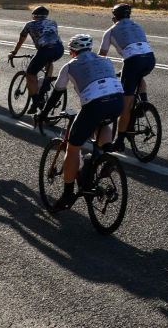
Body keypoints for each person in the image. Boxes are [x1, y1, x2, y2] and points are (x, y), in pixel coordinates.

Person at [37, 34, 125, 213]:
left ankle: (68, 193)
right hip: (117, 102)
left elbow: (57, 94)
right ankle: (104, 155)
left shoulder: (70, 66)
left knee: (73, 147)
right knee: (102, 124)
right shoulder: (105, 60)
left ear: (72, 52)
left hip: (94, 105)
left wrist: (44, 114)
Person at [97, 3, 155, 151]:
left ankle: (120, 140)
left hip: (133, 61)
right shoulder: (137, 26)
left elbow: (101, 57)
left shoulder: (110, 31)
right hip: (149, 59)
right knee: (139, 76)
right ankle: (143, 103)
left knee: (125, 105)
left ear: (114, 17)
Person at [9, 6, 65, 114]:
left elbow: (21, 39)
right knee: (49, 61)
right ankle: (46, 83)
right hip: (59, 49)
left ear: (34, 15)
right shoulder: (53, 22)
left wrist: (14, 52)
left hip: (44, 50)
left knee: (30, 74)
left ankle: (35, 103)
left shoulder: (29, 24)